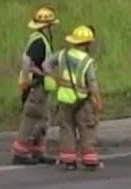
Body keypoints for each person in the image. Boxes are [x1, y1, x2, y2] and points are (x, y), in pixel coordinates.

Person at [44, 24, 103, 170]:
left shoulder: (62, 54)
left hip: (64, 98)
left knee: (67, 128)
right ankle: (89, 160)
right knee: (87, 128)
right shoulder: (87, 61)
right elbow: (92, 83)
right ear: (87, 43)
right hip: (82, 100)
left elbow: (46, 65)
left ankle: (68, 160)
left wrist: (56, 78)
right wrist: (97, 99)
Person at [11, 6, 58, 165]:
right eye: (51, 25)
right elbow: (28, 62)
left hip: (40, 86)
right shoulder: (39, 42)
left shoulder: (39, 38)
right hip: (37, 86)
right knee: (32, 118)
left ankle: (37, 150)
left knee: (43, 118)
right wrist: (39, 74)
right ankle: (20, 153)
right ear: (47, 26)